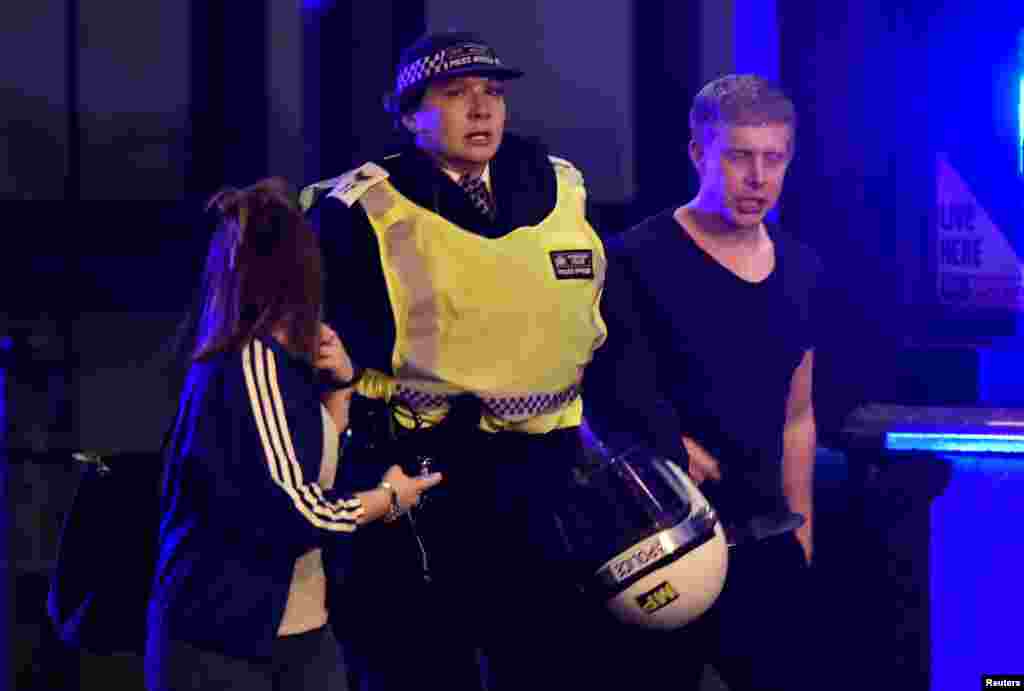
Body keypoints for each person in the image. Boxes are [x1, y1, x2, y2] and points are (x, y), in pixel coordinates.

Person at [302, 31, 616, 691]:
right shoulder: (357, 209)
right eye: (456, 95)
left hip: (543, 482)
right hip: (421, 482)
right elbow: (318, 359)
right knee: (415, 668)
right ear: (410, 114)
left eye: (493, 94)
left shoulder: (559, 186)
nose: (482, 110)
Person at [144, 177, 442, 691]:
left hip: (298, 631)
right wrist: (388, 498)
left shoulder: (281, 363)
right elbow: (297, 509)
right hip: (225, 637)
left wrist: (339, 387)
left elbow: (316, 472)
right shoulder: (246, 361)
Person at [584, 74, 822, 691]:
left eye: (774, 159)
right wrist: (665, 449)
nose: (758, 177)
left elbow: (799, 416)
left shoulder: (799, 268)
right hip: (659, 544)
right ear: (698, 153)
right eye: (739, 156)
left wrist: (803, 532)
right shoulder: (635, 258)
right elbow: (595, 404)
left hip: (767, 539)